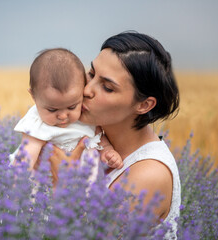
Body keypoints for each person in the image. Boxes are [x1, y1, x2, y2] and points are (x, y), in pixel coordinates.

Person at [48, 32, 181, 239]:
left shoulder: (148, 175)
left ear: (144, 105)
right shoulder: (88, 135)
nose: (86, 90)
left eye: (107, 88)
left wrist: (63, 187)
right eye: (91, 74)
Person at [10, 48, 123, 185]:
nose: (63, 116)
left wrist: (108, 152)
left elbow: (99, 138)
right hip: (47, 187)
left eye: (71, 107)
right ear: (34, 96)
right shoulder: (37, 123)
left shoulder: (85, 115)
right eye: (52, 109)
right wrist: (17, 181)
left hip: (84, 187)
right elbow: (26, 156)